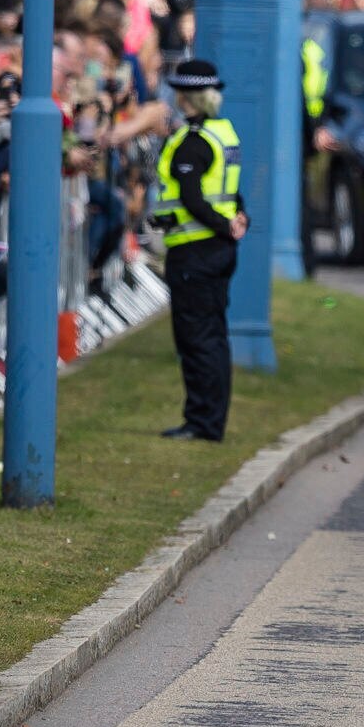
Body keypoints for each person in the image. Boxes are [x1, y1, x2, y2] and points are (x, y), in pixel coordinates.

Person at [152, 59, 248, 441]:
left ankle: (203, 423)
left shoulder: (192, 142)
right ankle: (208, 421)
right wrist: (238, 218)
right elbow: (228, 191)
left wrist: (225, 223)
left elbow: (193, 198)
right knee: (214, 337)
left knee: (197, 341)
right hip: (217, 249)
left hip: (195, 251)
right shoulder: (223, 134)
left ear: (187, 98)